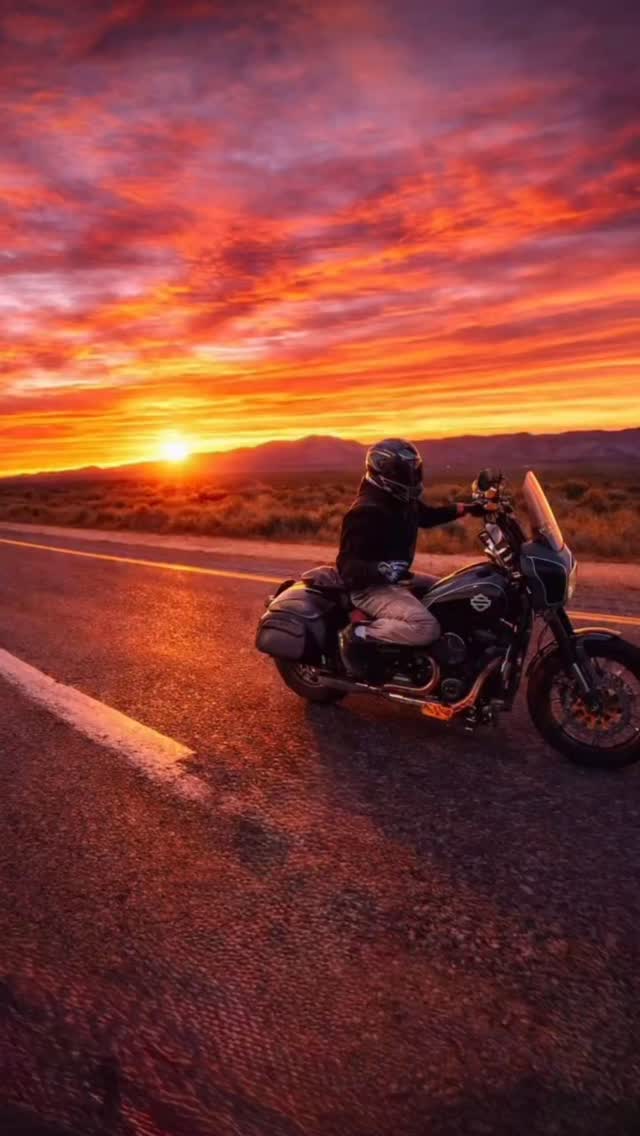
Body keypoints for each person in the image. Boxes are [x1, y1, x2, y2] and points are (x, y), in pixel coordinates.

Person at [336, 438, 485, 678]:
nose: (411, 478)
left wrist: (466, 508)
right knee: (426, 627)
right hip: (369, 589)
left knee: (452, 594)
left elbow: (425, 516)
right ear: (383, 472)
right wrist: (381, 570)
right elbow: (347, 566)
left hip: (398, 578)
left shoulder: (399, 500)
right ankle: (358, 634)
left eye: (414, 471)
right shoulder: (365, 511)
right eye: (404, 472)